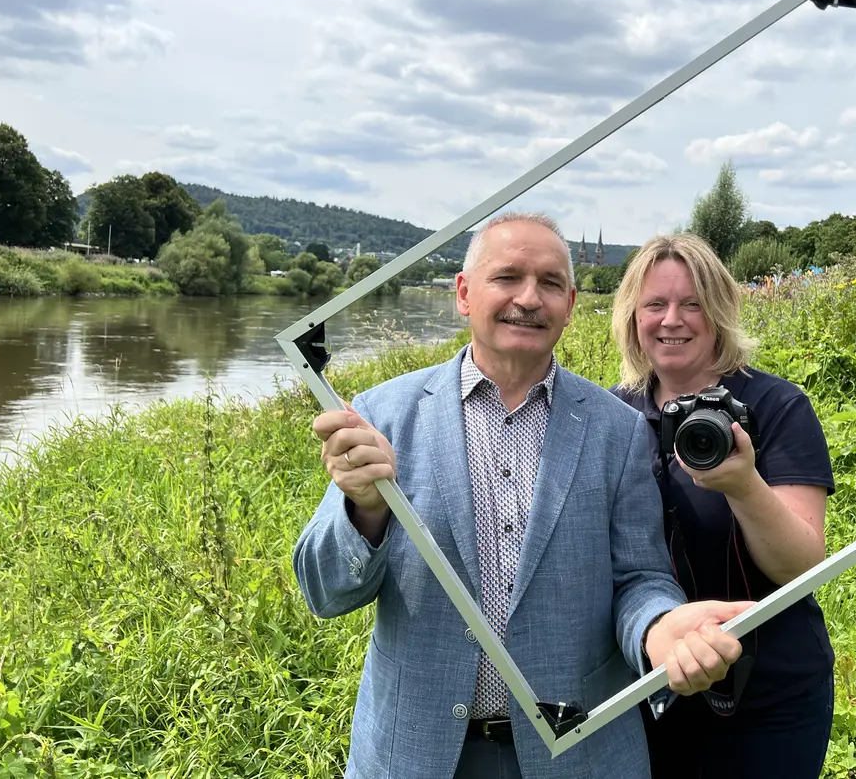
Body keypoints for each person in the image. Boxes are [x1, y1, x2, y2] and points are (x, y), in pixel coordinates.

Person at [294, 212, 752, 779]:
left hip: (578, 752)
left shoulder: (618, 430)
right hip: (415, 752)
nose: (529, 299)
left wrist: (661, 628)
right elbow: (323, 592)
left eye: (551, 283)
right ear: (464, 294)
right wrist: (364, 509)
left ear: (571, 303)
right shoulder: (383, 415)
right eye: (507, 277)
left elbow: (640, 578)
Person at [608, 233, 837, 779]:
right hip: (652, 682)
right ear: (632, 317)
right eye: (655, 305)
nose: (672, 320)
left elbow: (801, 565)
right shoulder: (612, 417)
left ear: (719, 312)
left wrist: (743, 484)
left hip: (771, 691)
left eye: (692, 304)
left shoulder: (775, 406)